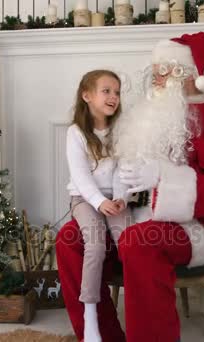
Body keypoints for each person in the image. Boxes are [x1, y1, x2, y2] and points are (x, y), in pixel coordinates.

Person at [57, 32, 204, 342]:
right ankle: (100, 335)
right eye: (156, 68)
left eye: (167, 68)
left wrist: (162, 177)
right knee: (70, 238)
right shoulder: (143, 117)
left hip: (190, 228)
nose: (156, 76)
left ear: (192, 76)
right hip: (130, 218)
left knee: (140, 241)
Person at [64, 69, 132, 342]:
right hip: (85, 199)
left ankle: (138, 311)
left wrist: (120, 198)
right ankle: (90, 319)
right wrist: (99, 201)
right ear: (87, 95)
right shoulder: (76, 132)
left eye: (116, 92)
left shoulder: (121, 130)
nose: (113, 97)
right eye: (106, 91)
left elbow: (123, 170)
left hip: (114, 199)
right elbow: (80, 176)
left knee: (130, 243)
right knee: (95, 245)